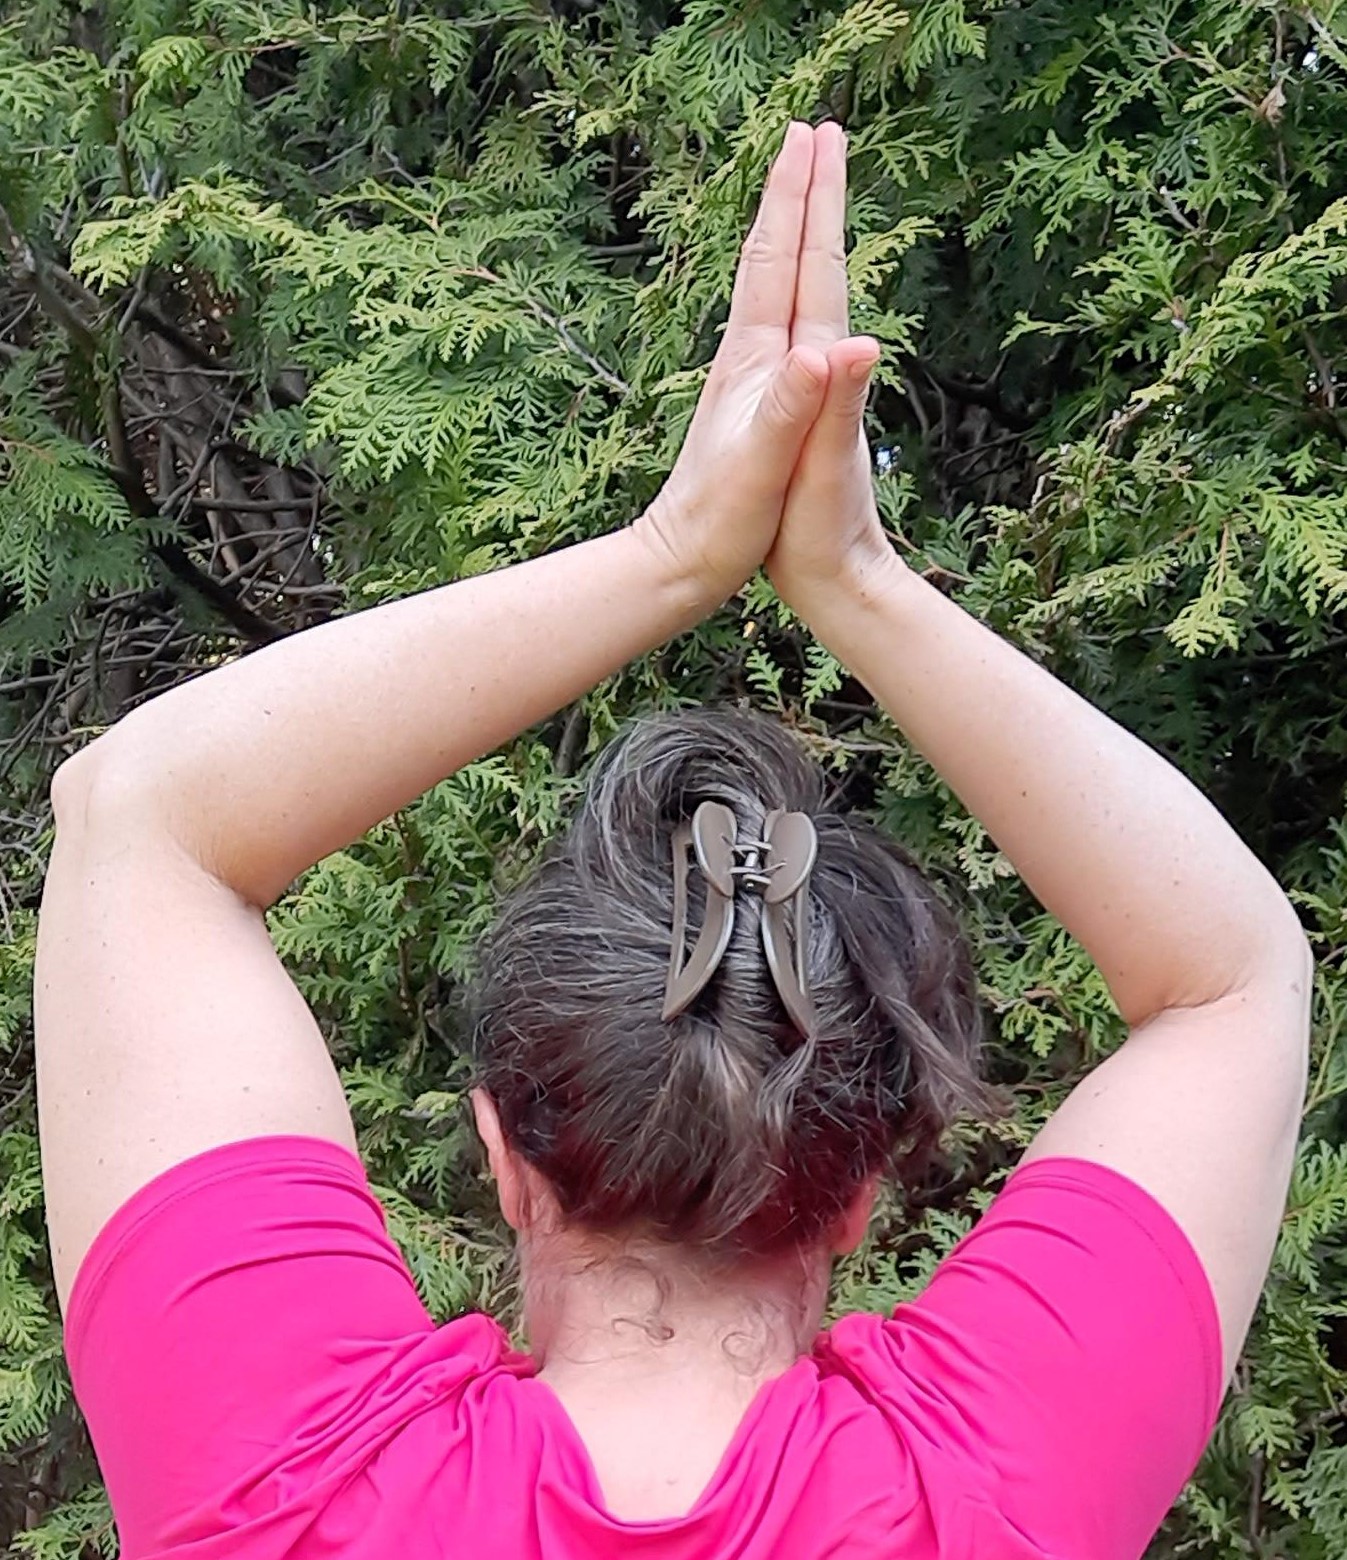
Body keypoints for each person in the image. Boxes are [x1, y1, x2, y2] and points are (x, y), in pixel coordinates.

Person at [35, 122, 1311, 1560]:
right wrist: (855, 583)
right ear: (861, 1196)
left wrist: (672, 551)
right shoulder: (990, 1502)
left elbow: (143, 817)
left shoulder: (290, 1488)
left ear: (506, 1157)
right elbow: (1233, 973)